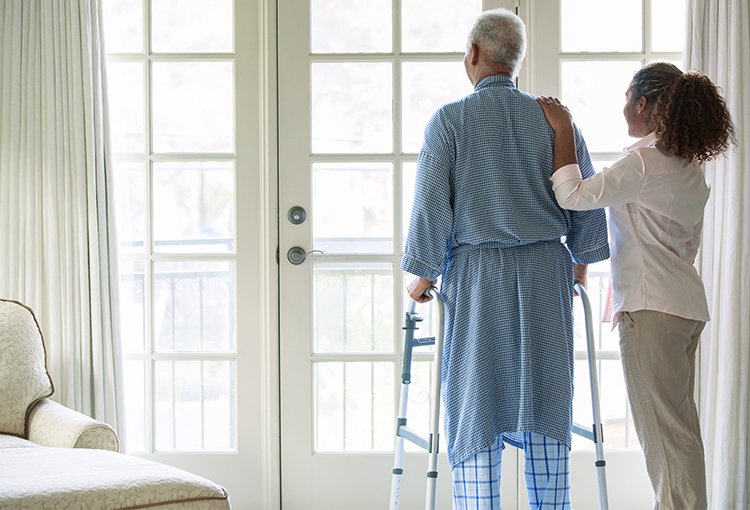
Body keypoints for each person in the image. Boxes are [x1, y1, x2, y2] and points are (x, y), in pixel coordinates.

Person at [402, 8, 609, 509]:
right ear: (514, 61)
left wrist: (423, 274)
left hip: (479, 278)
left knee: (476, 398)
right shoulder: (554, 119)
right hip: (545, 274)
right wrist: (578, 262)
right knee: (546, 393)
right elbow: (582, 195)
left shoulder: (450, 120)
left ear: (474, 54)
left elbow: (432, 204)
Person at [537, 62, 735, 510]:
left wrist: (564, 127)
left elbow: (572, 195)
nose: (624, 105)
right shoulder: (689, 167)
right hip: (683, 308)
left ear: (642, 103)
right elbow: (689, 247)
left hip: (650, 309)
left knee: (665, 436)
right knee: (679, 430)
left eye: (628, 97)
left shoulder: (644, 162)